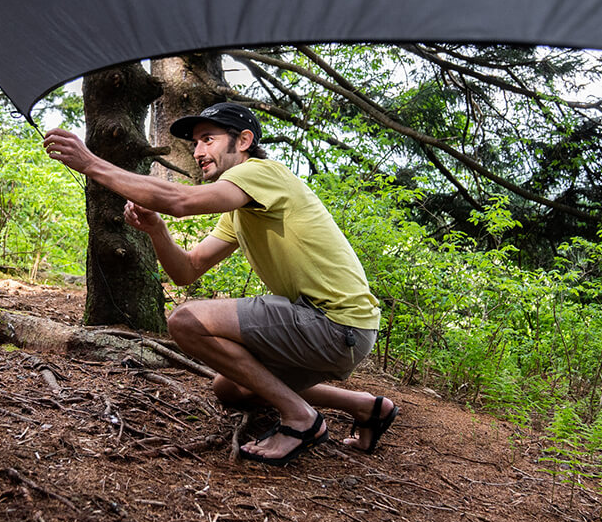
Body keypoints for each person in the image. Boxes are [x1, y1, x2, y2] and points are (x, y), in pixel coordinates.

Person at [43, 102, 397, 465]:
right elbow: (188, 270)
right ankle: (368, 407)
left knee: (185, 321)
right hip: (340, 333)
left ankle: (301, 419)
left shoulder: (263, 173)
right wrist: (157, 230)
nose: (197, 152)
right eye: (196, 143)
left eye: (207, 139)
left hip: (334, 323)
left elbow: (179, 200)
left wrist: (90, 163)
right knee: (231, 389)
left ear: (243, 140)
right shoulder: (240, 206)